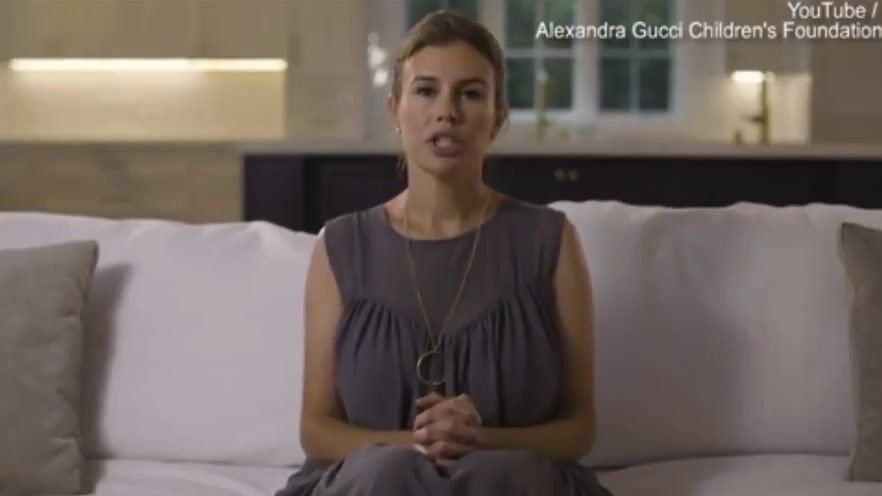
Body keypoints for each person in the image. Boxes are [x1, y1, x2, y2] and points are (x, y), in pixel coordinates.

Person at [275, 10, 613, 496]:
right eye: (426, 90)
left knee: (504, 475)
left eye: (470, 94)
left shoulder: (551, 240)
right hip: (375, 485)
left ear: (497, 116)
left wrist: (481, 441)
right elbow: (316, 431)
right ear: (395, 110)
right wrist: (416, 445)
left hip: (510, 483)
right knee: (384, 473)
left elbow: (579, 430)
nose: (446, 112)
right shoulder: (340, 245)